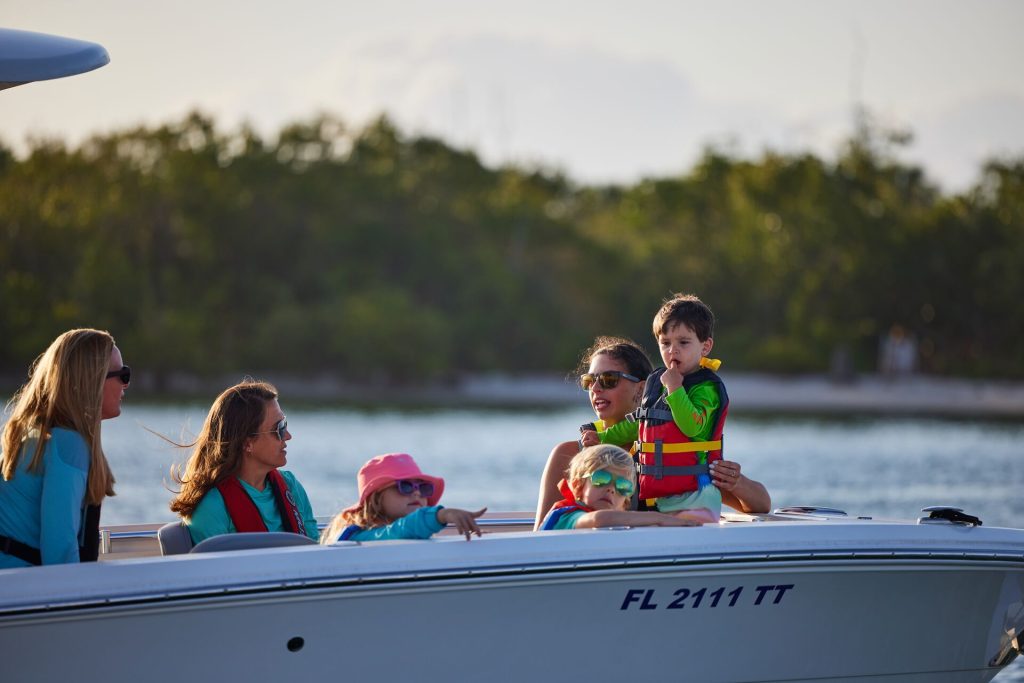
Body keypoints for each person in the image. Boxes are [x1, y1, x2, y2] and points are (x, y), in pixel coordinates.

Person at [534, 334, 770, 530]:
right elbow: (541, 534)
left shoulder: (667, 450)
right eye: (589, 381)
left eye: (608, 379)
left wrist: (735, 481)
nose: (595, 389)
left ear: (642, 388)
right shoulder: (570, 453)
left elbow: (760, 504)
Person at [0, 328, 128, 567]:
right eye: (122, 375)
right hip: (14, 593)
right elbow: (59, 552)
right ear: (92, 381)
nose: (126, 385)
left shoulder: (44, 435)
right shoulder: (69, 443)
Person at [169, 380, 319, 545]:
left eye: (285, 424)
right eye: (279, 429)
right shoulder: (212, 508)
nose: (288, 436)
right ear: (247, 443)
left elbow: (313, 548)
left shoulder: (291, 486)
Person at [321, 453, 485, 543]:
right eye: (405, 486)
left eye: (423, 487)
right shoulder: (360, 538)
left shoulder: (408, 533)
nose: (417, 493)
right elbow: (400, 531)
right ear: (376, 499)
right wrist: (439, 515)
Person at [539, 445, 706, 530]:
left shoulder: (617, 522)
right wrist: (659, 518)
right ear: (577, 486)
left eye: (622, 486)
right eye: (602, 479)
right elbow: (599, 520)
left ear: (626, 502)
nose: (611, 489)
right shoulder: (569, 517)